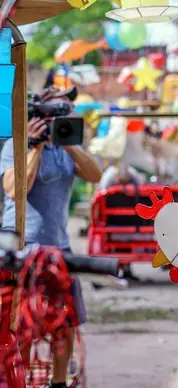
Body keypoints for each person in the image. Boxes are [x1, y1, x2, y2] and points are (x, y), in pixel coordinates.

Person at [1, 86, 102, 388]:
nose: (62, 117)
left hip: (58, 245)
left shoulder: (69, 148)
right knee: (22, 325)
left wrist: (67, 142)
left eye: (65, 112)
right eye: (55, 112)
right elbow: (14, 190)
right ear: (38, 114)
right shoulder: (14, 147)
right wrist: (35, 147)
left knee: (65, 323)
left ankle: (58, 383)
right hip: (19, 245)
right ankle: (21, 381)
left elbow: (95, 175)